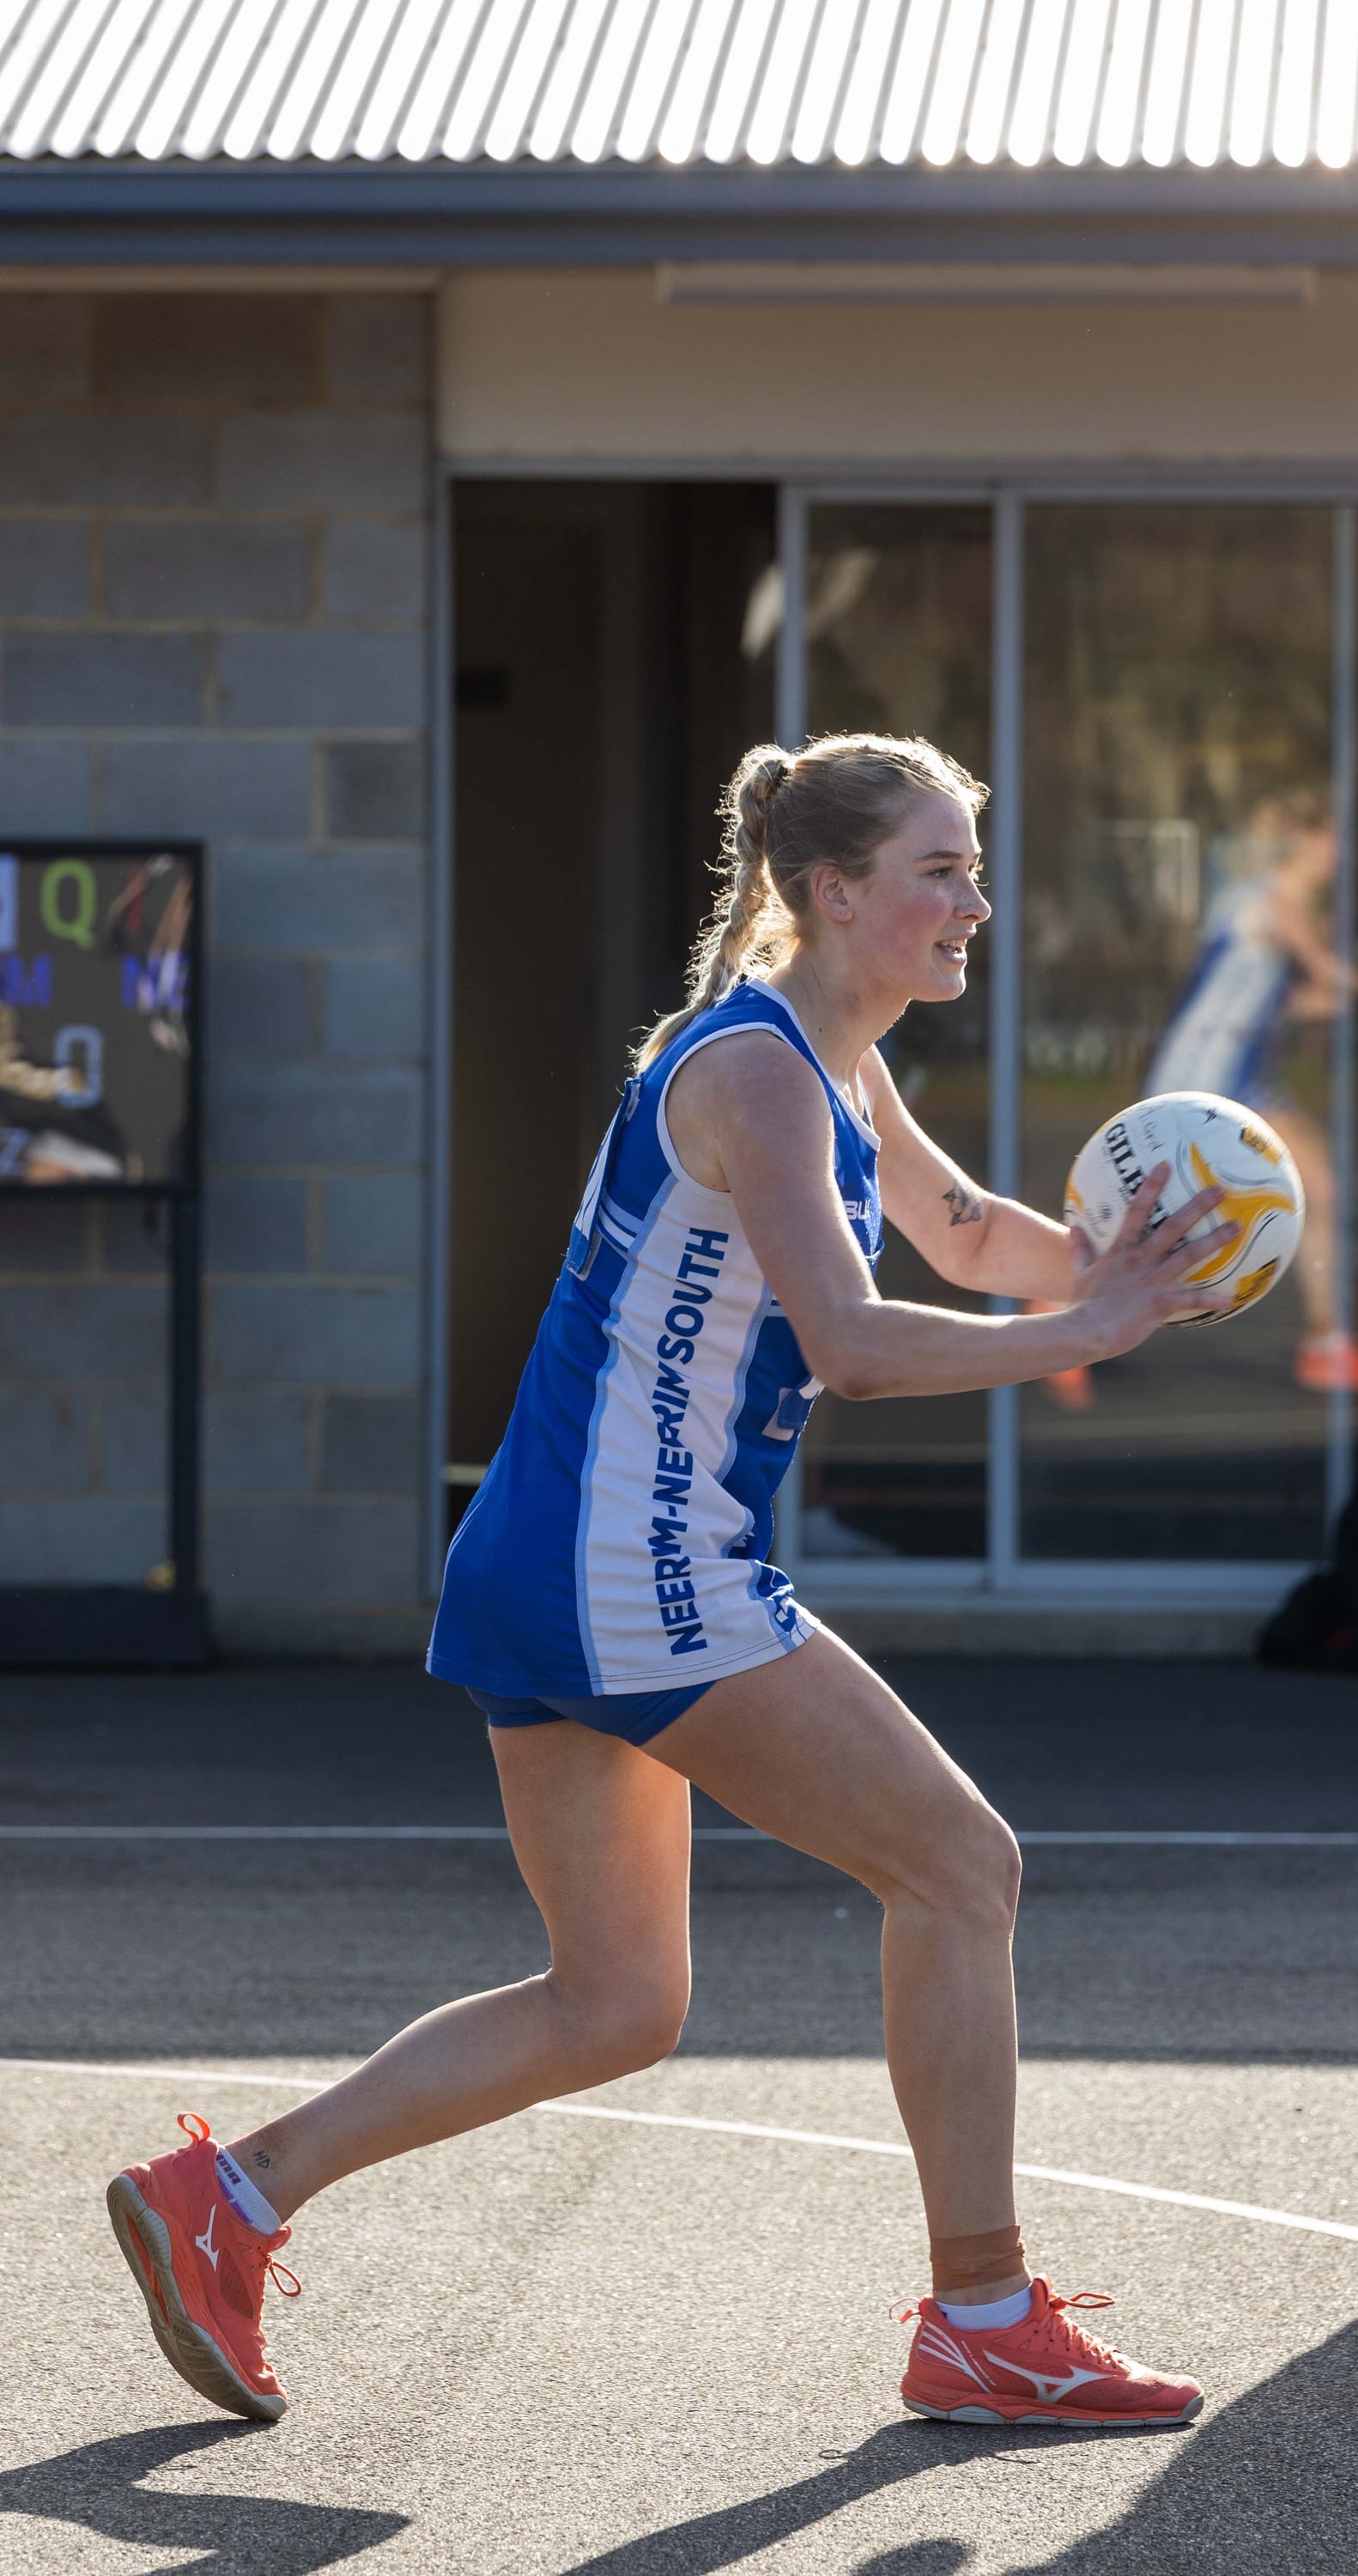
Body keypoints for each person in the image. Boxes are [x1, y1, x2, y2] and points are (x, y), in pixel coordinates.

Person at [106, 732, 1234, 2432]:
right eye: (940, 870)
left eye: (971, 870)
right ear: (833, 890)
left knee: (615, 2000)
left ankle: (232, 2197)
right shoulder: (761, 1073)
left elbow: (966, 1229)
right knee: (962, 1871)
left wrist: (1127, 1273)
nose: (972, 905)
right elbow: (851, 1345)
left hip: (558, 1560)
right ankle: (988, 2315)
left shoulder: (829, 1060)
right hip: (625, 1564)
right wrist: (1079, 1335)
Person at [1148, 795, 1358, 1395]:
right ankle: (1053, 1301)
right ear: (1306, 842)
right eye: (1332, 839)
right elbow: (1328, 974)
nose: (1338, 853)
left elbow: (1293, 997)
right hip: (1201, 1073)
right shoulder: (1271, 901)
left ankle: (1326, 1344)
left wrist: (1350, 993)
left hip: (1241, 1073)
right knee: (1162, 1214)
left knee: (1317, 1188)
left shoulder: (1281, 905)